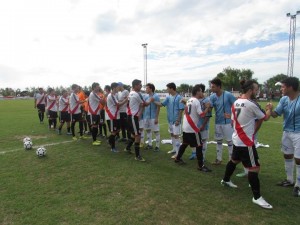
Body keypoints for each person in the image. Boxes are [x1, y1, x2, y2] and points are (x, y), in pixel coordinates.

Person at [221, 79, 272, 209]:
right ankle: (257, 197)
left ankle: (225, 180)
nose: (257, 92)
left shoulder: (235, 103)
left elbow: (233, 121)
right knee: (254, 168)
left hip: (237, 138)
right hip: (246, 142)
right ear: (250, 90)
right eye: (256, 89)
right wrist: (269, 109)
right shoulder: (251, 104)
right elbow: (265, 118)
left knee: (234, 160)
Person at [268, 77, 300, 197]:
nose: (281, 89)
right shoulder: (284, 99)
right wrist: (270, 111)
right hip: (286, 132)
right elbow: (276, 114)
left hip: (299, 133)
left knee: (299, 159)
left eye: (283, 86)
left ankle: (298, 185)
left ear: (291, 87)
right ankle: (289, 180)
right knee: (287, 155)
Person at [174, 84, 212, 172]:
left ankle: (178, 158)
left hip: (185, 126)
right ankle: (200, 166)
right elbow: (202, 115)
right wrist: (207, 108)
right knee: (199, 145)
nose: (202, 93)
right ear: (198, 91)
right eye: (201, 91)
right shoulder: (196, 101)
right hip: (192, 128)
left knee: (185, 143)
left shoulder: (189, 100)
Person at [124, 79, 153, 161]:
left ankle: (127, 148)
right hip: (133, 116)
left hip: (131, 116)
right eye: (140, 85)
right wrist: (151, 100)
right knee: (138, 135)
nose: (141, 86)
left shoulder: (131, 93)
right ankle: (137, 156)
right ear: (136, 85)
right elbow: (145, 104)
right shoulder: (136, 94)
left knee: (134, 134)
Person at [154, 82, 185, 158]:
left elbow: (181, 110)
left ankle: (178, 153)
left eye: (167, 88)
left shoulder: (179, 97)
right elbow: (161, 104)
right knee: (172, 134)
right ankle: (174, 149)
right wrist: (152, 101)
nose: (166, 90)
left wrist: (178, 120)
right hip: (170, 120)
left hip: (176, 120)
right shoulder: (168, 97)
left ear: (171, 88)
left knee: (176, 135)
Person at [210, 78, 236, 165]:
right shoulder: (212, 97)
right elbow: (210, 107)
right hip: (218, 122)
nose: (211, 89)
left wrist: (232, 116)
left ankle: (231, 160)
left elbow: (236, 106)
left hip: (228, 123)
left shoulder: (228, 95)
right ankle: (218, 159)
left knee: (230, 141)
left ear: (219, 87)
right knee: (219, 141)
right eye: (211, 87)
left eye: (213, 87)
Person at [188, 84, 212, 161]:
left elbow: (208, 115)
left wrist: (203, 125)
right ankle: (194, 153)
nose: (198, 92)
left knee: (203, 141)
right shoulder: (195, 100)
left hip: (203, 126)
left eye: (200, 91)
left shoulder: (207, 101)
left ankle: (203, 157)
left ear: (202, 91)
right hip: (194, 125)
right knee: (194, 140)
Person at [106, 82, 127, 152]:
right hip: (112, 116)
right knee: (114, 132)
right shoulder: (111, 95)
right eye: (118, 87)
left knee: (118, 130)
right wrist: (126, 100)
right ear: (114, 88)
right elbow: (118, 104)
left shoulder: (114, 95)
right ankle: (113, 148)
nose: (119, 88)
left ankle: (109, 140)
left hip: (116, 115)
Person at [143, 83, 161, 151]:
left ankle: (157, 146)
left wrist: (156, 117)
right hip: (146, 117)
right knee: (148, 130)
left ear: (151, 89)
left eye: (147, 88)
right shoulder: (146, 96)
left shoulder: (156, 96)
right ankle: (149, 144)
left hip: (153, 117)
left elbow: (158, 107)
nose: (146, 89)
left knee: (156, 131)